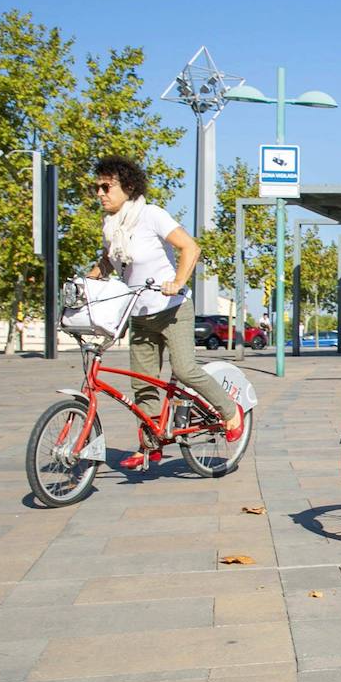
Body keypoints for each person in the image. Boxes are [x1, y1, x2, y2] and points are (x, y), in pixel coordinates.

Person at [86, 155, 242, 469]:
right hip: (140, 313)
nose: (100, 193)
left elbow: (190, 247)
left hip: (172, 309)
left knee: (184, 369)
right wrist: (89, 278)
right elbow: (110, 261)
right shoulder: (111, 227)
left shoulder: (151, 215)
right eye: (97, 187)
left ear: (127, 187)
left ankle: (229, 411)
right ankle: (151, 443)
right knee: (143, 382)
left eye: (106, 187)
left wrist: (178, 281)